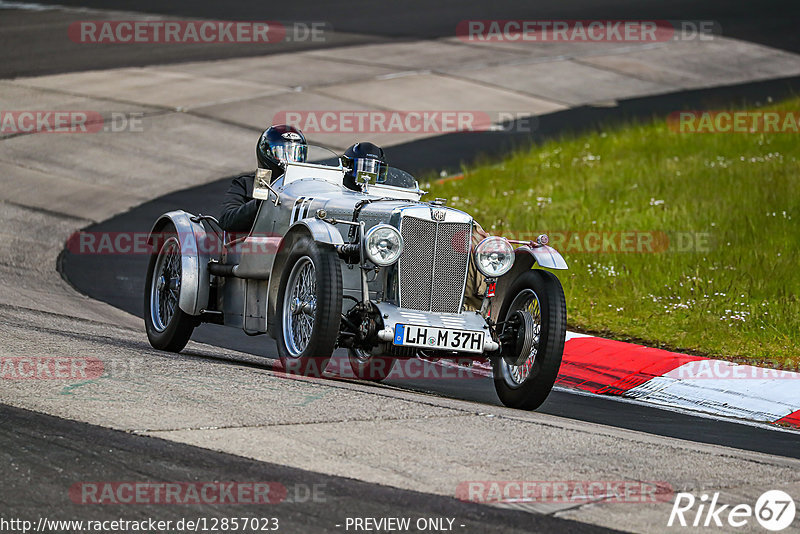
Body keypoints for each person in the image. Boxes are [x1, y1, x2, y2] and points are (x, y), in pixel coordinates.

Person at [218, 125, 307, 233]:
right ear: (266, 153)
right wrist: (262, 202)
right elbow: (226, 220)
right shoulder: (246, 184)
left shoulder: (308, 186)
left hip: (299, 243)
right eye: (281, 153)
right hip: (257, 244)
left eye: (295, 153)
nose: (289, 159)